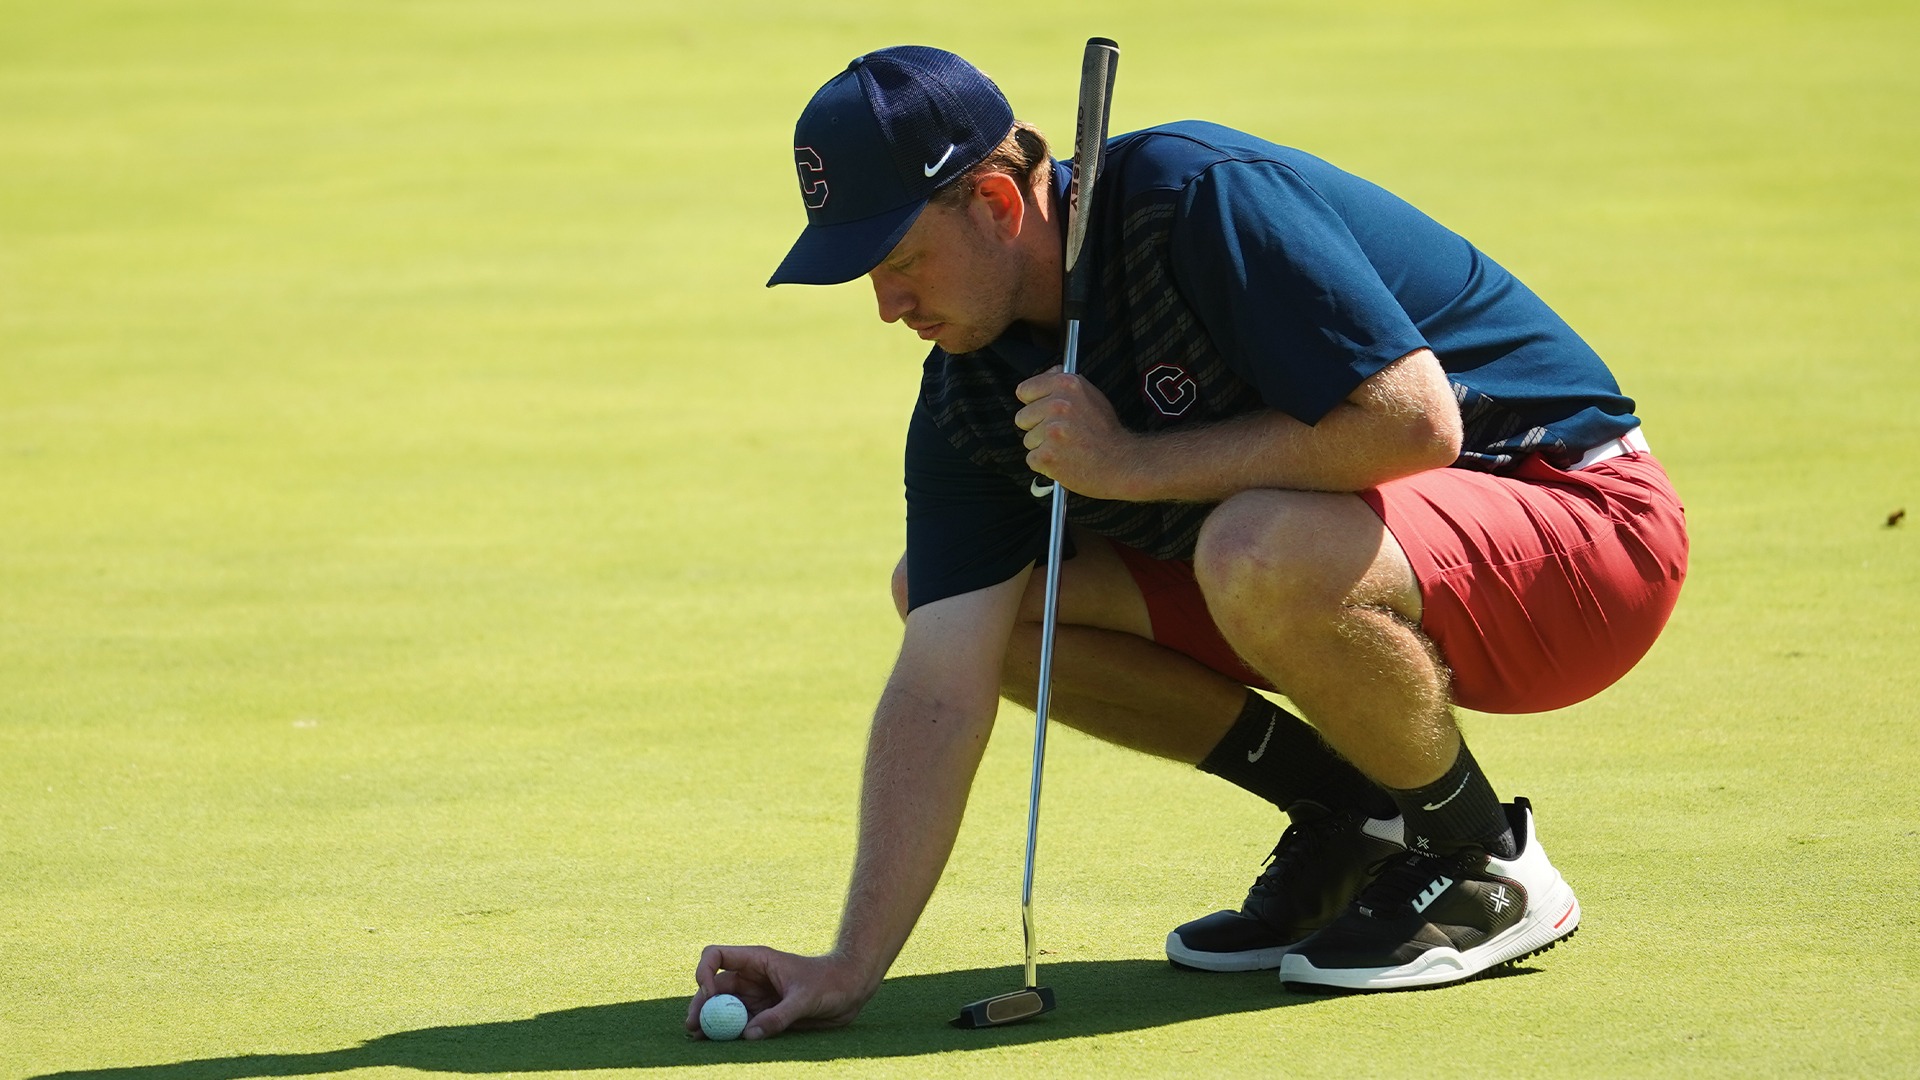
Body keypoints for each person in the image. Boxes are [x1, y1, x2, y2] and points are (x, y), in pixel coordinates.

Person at [686, 44, 1687, 1038]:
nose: (886, 305)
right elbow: (940, 681)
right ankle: (1357, 820)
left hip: (1582, 530)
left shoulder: (1192, 197)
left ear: (995, 204)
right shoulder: (970, 387)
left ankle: (1484, 859)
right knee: (975, 601)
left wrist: (1129, 466)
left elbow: (1415, 426)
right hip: (1390, 565)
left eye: (900, 261)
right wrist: (851, 964)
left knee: (1256, 545)